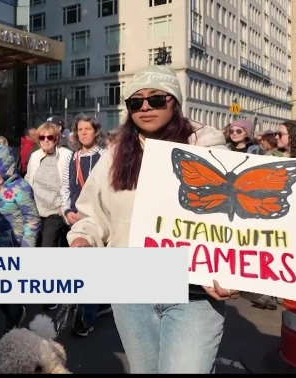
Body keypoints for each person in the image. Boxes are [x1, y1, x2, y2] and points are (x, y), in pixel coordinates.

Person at [67, 64, 238, 374]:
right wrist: (83, 237)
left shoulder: (210, 151)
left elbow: (236, 225)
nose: (145, 107)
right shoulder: (116, 154)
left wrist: (235, 273)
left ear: (175, 102)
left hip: (194, 294)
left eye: (156, 99)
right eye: (136, 102)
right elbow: (94, 214)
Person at [0, 145, 41, 333]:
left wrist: (27, 248)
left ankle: (14, 322)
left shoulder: (22, 188)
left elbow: (32, 219)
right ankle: (11, 313)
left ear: (6, 167)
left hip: (15, 247)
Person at [59, 115, 109, 337]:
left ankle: (87, 316)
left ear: (96, 131)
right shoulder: (74, 157)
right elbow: (66, 187)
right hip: (77, 220)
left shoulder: (105, 156)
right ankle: (95, 306)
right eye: (80, 129)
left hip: (99, 219)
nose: (83, 133)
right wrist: (67, 210)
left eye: (87, 129)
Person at [25, 122, 73, 249]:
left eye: (50, 137)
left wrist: (65, 208)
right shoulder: (35, 156)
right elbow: (29, 180)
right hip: (36, 211)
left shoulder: (66, 155)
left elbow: (71, 183)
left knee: (48, 245)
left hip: (56, 211)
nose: (46, 140)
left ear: (56, 138)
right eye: (42, 137)